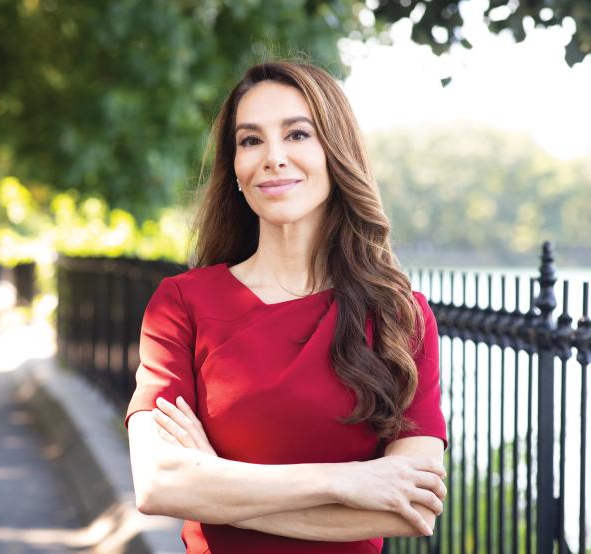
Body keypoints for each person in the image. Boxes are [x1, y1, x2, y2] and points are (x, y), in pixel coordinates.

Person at [125, 60, 448, 554]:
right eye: (250, 141)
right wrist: (345, 483)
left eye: (297, 135)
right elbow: (158, 484)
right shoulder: (182, 305)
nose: (273, 157)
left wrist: (217, 482)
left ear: (336, 154)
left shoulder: (399, 319)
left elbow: (413, 506)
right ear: (233, 168)